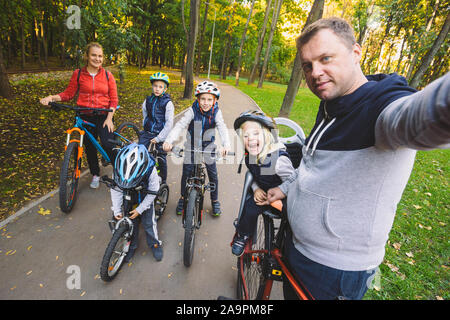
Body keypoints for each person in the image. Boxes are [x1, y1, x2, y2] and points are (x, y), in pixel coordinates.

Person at [266, 17, 450, 300]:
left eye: (326, 58)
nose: (316, 72)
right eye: (307, 65)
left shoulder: (383, 109)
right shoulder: (330, 104)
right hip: (297, 246)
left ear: (356, 53)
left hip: (333, 271)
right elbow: (314, 163)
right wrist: (286, 183)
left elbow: (422, 116)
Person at [40, 42, 119, 189]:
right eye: (94, 55)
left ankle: (118, 171)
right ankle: (95, 174)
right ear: (87, 56)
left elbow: (113, 99)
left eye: (100, 56)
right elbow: (68, 94)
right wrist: (52, 97)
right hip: (85, 115)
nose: (97, 58)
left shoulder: (108, 76)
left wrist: (109, 118)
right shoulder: (78, 74)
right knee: (89, 147)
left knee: (108, 144)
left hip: (103, 115)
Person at [231, 110, 295, 256]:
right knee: (250, 207)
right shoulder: (251, 156)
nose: (250, 139)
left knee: (294, 221)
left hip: (284, 196)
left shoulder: (278, 160)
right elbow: (254, 175)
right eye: (246, 136)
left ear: (267, 135)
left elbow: (294, 183)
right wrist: (256, 189)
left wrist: (278, 196)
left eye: (255, 133)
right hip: (264, 193)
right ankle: (243, 235)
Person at [163, 81, 231, 216]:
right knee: (186, 172)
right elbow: (180, 125)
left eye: (209, 99)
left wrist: (226, 144)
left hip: (208, 146)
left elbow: (222, 128)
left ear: (215, 100)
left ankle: (215, 200)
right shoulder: (192, 110)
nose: (206, 102)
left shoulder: (216, 112)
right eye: (203, 99)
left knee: (212, 174)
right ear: (198, 99)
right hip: (191, 145)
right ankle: (183, 198)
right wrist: (169, 141)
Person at [110, 143, 163, 261]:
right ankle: (132, 246)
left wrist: (140, 209)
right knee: (131, 222)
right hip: (128, 194)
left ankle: (155, 244)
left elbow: (152, 192)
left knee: (149, 223)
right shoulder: (118, 169)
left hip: (145, 195)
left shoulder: (151, 171)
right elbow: (116, 189)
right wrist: (117, 209)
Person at [138, 72, 174, 184]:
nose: (157, 89)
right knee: (141, 153)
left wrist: (159, 138)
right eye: (155, 86)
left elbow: (169, 123)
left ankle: (162, 181)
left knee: (161, 157)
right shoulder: (148, 100)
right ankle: (142, 177)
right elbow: (145, 113)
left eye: (160, 87)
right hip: (148, 132)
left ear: (165, 89)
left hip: (161, 134)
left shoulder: (168, 103)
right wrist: (146, 126)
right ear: (152, 86)